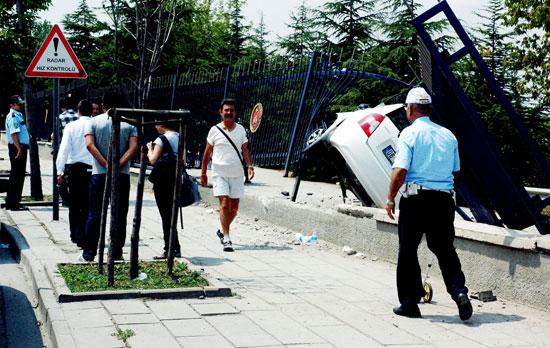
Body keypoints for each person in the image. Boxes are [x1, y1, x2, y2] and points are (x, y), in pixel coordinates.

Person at [386, 87, 472, 320]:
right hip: (443, 200)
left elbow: (400, 170)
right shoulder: (448, 135)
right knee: (444, 249)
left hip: (415, 200)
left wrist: (390, 197)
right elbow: (456, 173)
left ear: (411, 108)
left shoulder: (409, 134)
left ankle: (409, 304)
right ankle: (459, 292)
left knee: (408, 250)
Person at [80, 90, 138, 262]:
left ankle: (89, 252)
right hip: (122, 175)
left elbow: (89, 144)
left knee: (94, 213)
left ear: (103, 104)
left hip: (99, 173)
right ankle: (116, 252)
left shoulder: (93, 122)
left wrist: (105, 163)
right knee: (120, 214)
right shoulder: (130, 124)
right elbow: (133, 147)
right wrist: (118, 163)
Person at [200, 99, 254, 252]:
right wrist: (203, 173)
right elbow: (206, 154)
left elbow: (245, 150)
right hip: (219, 173)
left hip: (237, 174)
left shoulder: (241, 130)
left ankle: (222, 230)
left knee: (234, 208)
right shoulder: (214, 130)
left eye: (231, 110)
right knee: (224, 203)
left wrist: (249, 166)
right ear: (221, 112)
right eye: (226, 110)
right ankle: (227, 238)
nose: (229, 113)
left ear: (235, 113)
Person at [56, 99, 94, 247]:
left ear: (78, 111)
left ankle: (75, 234)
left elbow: (64, 149)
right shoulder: (94, 124)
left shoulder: (71, 127)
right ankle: (86, 233)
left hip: (75, 168)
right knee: (88, 203)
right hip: (92, 168)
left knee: (74, 203)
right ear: (91, 111)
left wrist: (60, 171)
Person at [146, 121, 181, 259]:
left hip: (162, 182)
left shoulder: (161, 139)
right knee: (171, 215)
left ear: (162, 124)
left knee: (165, 216)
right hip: (175, 180)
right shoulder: (180, 136)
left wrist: (149, 148)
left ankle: (170, 248)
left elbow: (153, 160)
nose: (155, 127)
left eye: (156, 124)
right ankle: (174, 247)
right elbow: (182, 160)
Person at [3, 95, 29, 210]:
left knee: (17, 175)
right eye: (18, 104)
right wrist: (19, 149)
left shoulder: (18, 115)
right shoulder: (13, 116)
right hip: (17, 147)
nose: (21, 105)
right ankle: (13, 203)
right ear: (12, 105)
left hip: (18, 146)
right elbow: (14, 134)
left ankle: (12, 201)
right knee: (17, 176)